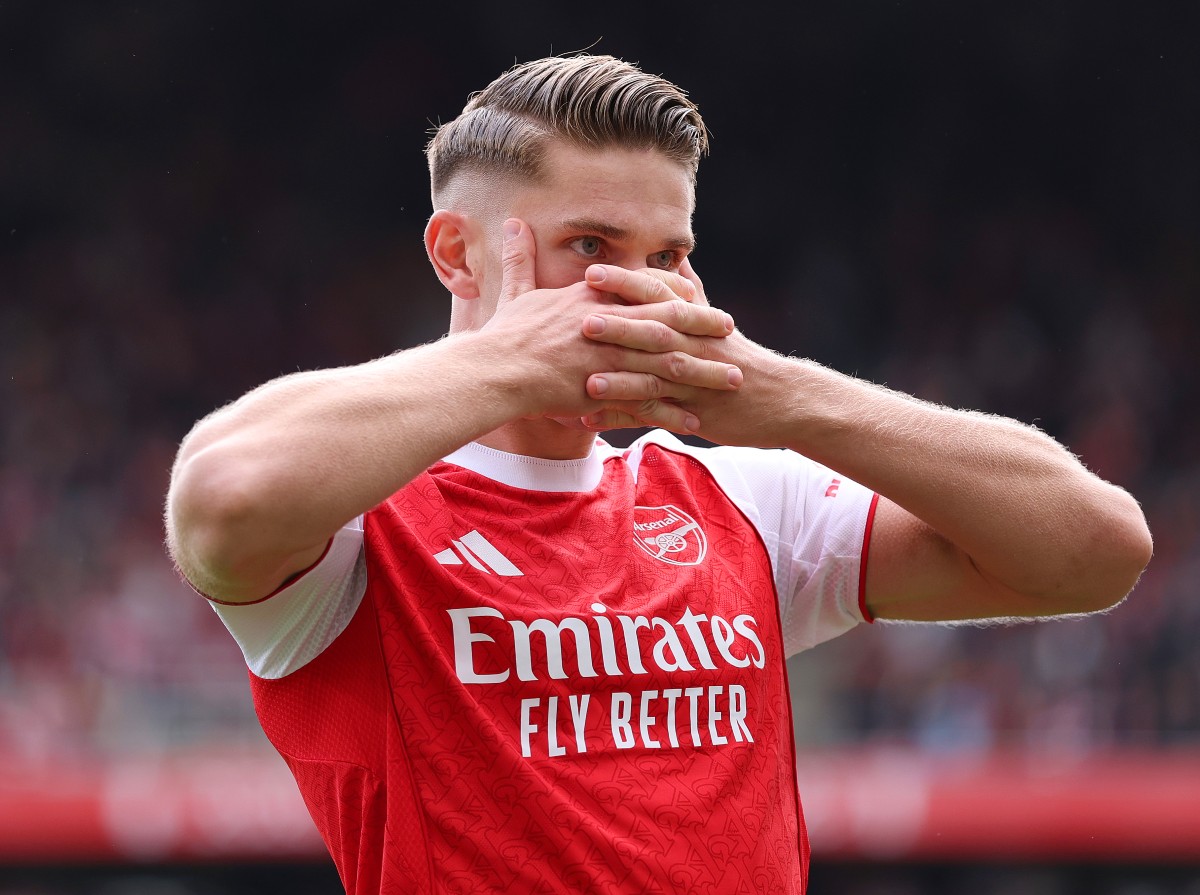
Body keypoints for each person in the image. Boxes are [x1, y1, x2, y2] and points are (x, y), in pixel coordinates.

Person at [165, 54, 1153, 894]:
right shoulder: (361, 518)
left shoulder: (739, 497)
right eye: (590, 248)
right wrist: (511, 359)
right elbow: (222, 504)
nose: (638, 293)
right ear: (458, 255)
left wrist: (779, 393)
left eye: (668, 253)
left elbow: (1095, 553)